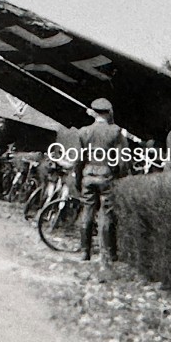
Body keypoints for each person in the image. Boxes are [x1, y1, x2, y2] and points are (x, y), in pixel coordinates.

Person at [74, 98, 128, 264]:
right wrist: (120, 176)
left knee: (87, 211)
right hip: (106, 175)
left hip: (88, 175)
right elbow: (123, 160)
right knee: (106, 213)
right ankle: (107, 254)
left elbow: (78, 160)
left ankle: (85, 252)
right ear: (109, 112)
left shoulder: (84, 131)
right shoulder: (116, 132)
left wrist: (78, 178)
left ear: (94, 112)